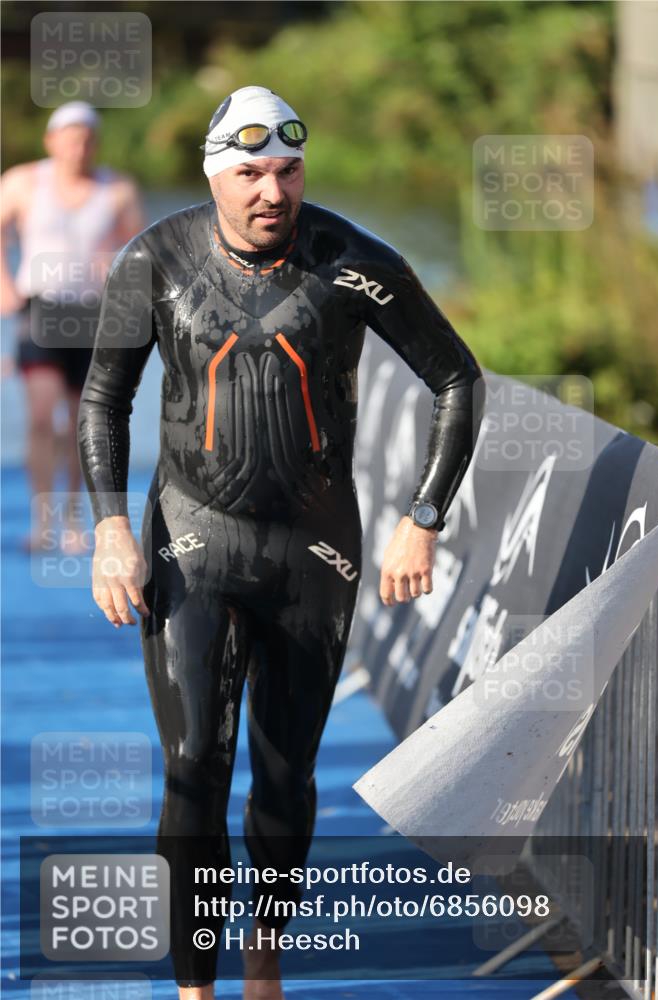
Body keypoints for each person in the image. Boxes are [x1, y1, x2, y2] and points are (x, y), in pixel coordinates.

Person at [77, 86, 485, 999]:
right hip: (189, 541)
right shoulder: (156, 258)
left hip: (316, 552)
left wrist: (422, 519)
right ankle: (195, 989)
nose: (273, 191)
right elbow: (104, 399)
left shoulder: (348, 260)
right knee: (192, 771)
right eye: (251, 172)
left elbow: (455, 377)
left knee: (284, 772)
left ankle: (263, 958)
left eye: (289, 171)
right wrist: (109, 529)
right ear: (215, 175)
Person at [0, 100, 144, 553]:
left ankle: (75, 520)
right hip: (41, 309)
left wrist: (115, 270)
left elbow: (141, 250)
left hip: (92, 314)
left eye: (86, 139)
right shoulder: (24, 181)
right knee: (43, 418)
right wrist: (4, 287)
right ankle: (42, 522)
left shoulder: (116, 188)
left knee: (84, 422)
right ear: (51, 141)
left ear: (94, 143)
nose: (78, 147)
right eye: (69, 137)